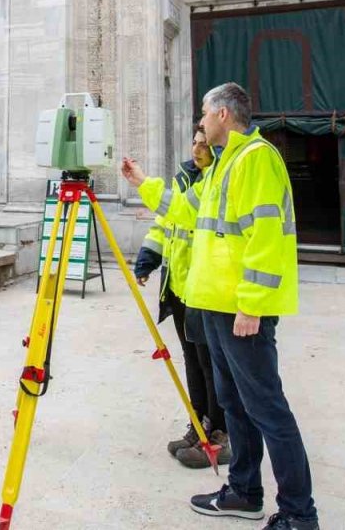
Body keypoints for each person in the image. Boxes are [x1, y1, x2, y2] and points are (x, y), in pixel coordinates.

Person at [123, 82, 318, 529]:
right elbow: (186, 210)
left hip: (239, 311)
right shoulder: (219, 167)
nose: (201, 123)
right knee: (234, 404)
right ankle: (244, 492)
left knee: (267, 408)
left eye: (205, 115)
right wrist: (141, 183)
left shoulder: (256, 160)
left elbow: (266, 239)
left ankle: (299, 514)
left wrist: (252, 305)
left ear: (224, 115)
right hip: (210, 305)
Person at [129, 126, 229, 469]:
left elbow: (184, 210)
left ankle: (220, 434)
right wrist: (148, 258)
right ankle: (198, 422)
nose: (198, 148)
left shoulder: (216, 181)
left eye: (205, 144)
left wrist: (144, 182)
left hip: (205, 289)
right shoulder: (185, 177)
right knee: (192, 360)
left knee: (210, 363)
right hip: (180, 287)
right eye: (195, 142)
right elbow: (164, 223)